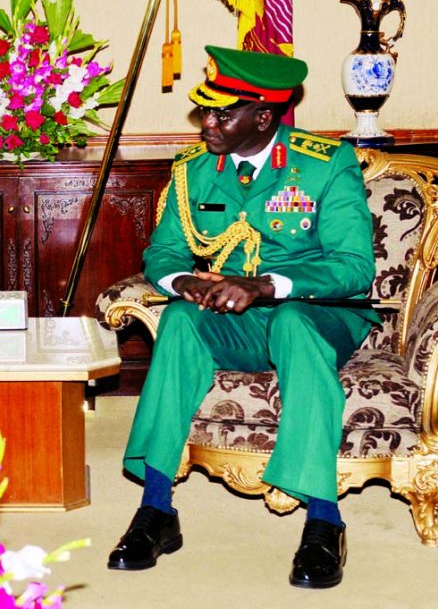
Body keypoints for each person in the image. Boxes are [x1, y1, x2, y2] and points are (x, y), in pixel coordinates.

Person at [107, 46, 378, 589]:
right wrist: (181, 281)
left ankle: (325, 521)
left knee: (293, 324)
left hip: (320, 314)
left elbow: (354, 269)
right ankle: (157, 508)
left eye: (222, 114)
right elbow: (163, 254)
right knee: (181, 320)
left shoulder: (326, 165)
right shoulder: (194, 171)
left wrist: (266, 285)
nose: (208, 123)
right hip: (238, 317)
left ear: (263, 117)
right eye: (204, 111)